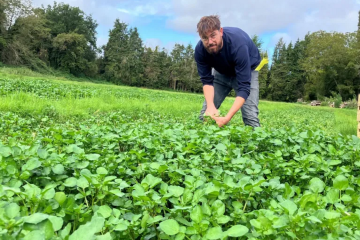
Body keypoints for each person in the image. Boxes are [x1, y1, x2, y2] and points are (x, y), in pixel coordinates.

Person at [194, 15, 266, 128]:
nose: (210, 41)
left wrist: (227, 118)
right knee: (205, 114)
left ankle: (258, 144)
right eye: (205, 38)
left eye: (213, 35)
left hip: (247, 72)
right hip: (222, 73)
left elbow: (244, 87)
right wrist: (211, 106)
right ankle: (200, 142)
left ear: (220, 31)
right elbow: (207, 81)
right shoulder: (200, 50)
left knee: (250, 117)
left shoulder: (238, 45)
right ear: (200, 37)